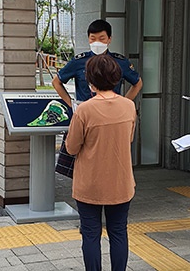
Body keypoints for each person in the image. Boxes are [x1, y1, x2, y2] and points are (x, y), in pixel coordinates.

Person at [65, 55, 136, 271]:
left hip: (89, 184)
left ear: (90, 81)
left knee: (91, 235)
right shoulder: (128, 106)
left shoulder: (84, 110)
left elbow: (71, 147)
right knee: (119, 233)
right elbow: (128, 138)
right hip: (121, 182)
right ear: (117, 79)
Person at [53, 19, 142, 178]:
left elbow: (137, 83)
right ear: (88, 38)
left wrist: (125, 103)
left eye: (101, 39)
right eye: (92, 39)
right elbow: (57, 82)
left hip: (111, 115)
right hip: (85, 115)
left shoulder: (119, 62)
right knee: (83, 159)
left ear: (109, 39)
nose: (97, 43)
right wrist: (72, 105)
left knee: (111, 156)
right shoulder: (79, 61)